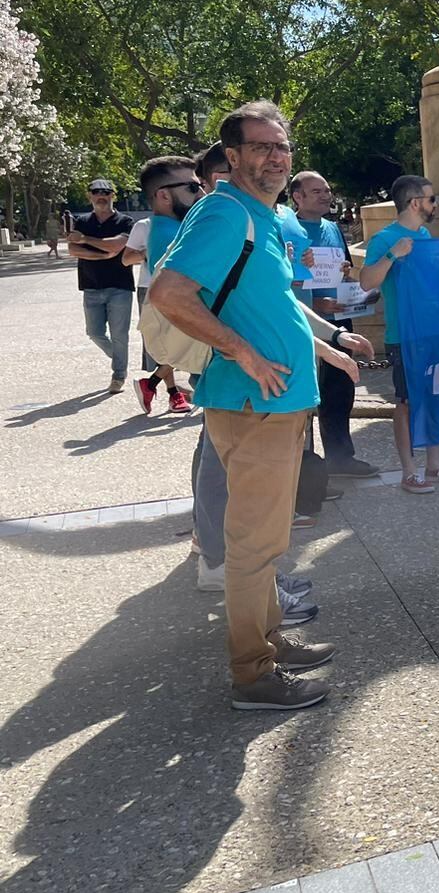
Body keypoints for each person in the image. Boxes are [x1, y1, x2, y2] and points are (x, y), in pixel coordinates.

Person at [149, 100, 343, 711]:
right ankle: (252, 674)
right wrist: (243, 354)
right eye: (259, 146)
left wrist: (328, 348)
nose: (274, 157)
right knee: (254, 545)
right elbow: (169, 292)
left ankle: (269, 641)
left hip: (274, 403)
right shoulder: (226, 212)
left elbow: (272, 305)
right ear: (231, 157)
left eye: (281, 146)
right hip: (254, 402)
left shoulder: (258, 215)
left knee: (265, 538)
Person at [360, 176, 439, 493]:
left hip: (434, 331)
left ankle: (434, 465)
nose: (435, 204)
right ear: (415, 203)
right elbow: (367, 281)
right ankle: (408, 471)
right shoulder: (385, 238)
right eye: (431, 199)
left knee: (435, 396)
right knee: (406, 402)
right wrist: (393, 254)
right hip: (404, 334)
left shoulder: (423, 233)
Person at [282, 171, 377, 477]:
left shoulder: (333, 228)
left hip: (340, 320)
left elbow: (343, 271)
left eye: (327, 190)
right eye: (317, 191)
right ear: (298, 196)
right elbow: (285, 277)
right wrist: (314, 304)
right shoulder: (286, 228)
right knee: (305, 395)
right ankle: (306, 471)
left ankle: (340, 458)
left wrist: (346, 270)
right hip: (304, 324)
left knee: (339, 392)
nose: (326, 195)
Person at [123, 157, 201, 415]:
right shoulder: (174, 234)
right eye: (192, 188)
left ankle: (153, 383)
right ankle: (158, 386)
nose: (201, 192)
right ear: (164, 196)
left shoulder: (172, 228)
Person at [69, 178, 135, 393]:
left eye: (106, 192)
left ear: (112, 196)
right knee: (94, 333)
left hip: (120, 286)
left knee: (119, 335)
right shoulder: (81, 221)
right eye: (96, 192)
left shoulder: (125, 221)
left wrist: (85, 239)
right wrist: (102, 255)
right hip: (90, 286)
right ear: (89, 196)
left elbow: (117, 244)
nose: (101, 196)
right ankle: (119, 357)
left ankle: (119, 374)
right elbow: (73, 250)